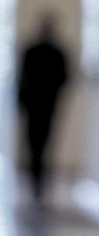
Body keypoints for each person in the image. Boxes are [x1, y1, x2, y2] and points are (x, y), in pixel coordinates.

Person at [18, 11, 69, 201]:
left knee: (40, 143)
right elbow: (22, 78)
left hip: (42, 105)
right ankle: (37, 178)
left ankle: (39, 178)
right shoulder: (35, 51)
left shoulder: (52, 52)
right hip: (40, 104)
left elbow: (64, 78)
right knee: (38, 143)